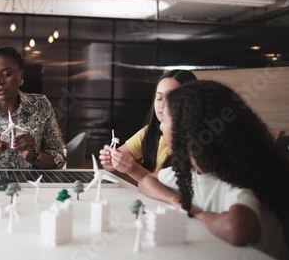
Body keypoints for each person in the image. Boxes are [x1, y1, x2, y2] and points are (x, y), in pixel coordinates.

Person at [139, 80, 288, 259]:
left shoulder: (236, 181)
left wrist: (201, 214)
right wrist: (175, 200)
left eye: (166, 121)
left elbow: (238, 229)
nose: (161, 127)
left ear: (186, 131)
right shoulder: (192, 172)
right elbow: (146, 181)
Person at [99, 70, 197, 183]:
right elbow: (110, 164)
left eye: (171, 99)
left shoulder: (197, 143)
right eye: (159, 98)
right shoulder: (149, 132)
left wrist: (133, 169)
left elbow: (173, 189)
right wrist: (111, 160)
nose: (162, 105)